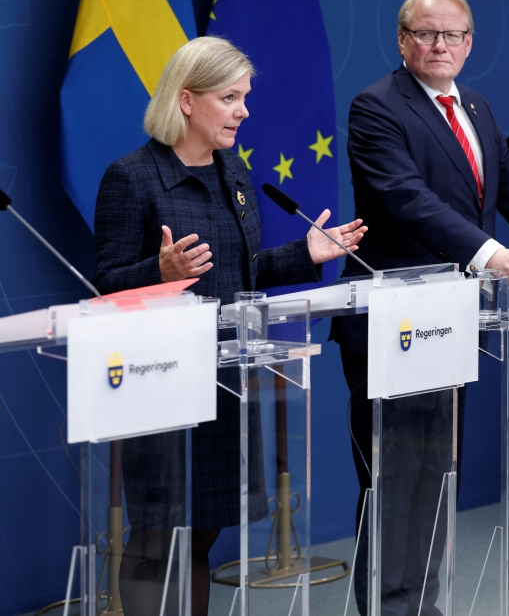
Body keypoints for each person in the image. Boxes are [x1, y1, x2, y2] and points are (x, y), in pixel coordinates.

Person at [330, 0, 509, 615]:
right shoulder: (376, 108)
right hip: (393, 322)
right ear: (402, 40)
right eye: (426, 33)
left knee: (435, 473)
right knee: (393, 476)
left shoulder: (474, 107)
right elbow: (406, 199)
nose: (439, 45)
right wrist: (490, 255)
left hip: (453, 320)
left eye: (452, 35)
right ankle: (389, 609)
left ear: (470, 44)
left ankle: (424, 602)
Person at [92, 36, 367, 616]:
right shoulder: (133, 177)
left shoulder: (235, 177)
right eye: (230, 97)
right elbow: (105, 285)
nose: (244, 110)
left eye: (244, 96)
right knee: (159, 535)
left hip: (224, 378)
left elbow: (242, 275)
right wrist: (158, 271)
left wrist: (306, 254)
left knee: (202, 532)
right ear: (186, 101)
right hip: (158, 385)